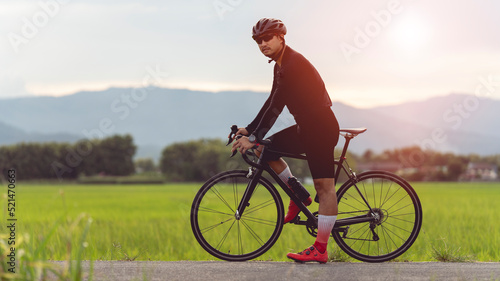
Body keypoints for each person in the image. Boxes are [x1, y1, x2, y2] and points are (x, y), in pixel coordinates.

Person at [230, 18, 340, 263]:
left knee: (325, 187)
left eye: (267, 38)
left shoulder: (293, 64)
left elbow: (277, 107)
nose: (262, 44)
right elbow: (271, 100)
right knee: (265, 151)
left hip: (320, 129)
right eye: (258, 40)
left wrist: (256, 136)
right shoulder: (279, 65)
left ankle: (321, 250)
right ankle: (298, 194)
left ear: (281, 37)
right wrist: (250, 130)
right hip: (306, 127)